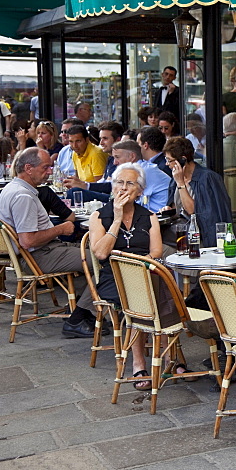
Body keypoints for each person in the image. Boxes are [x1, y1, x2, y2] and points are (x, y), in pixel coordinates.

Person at [87, 162, 180, 388]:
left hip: (145, 271)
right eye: (120, 182)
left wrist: (140, 266)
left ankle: (167, 356)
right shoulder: (100, 216)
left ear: (140, 190)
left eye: (131, 183)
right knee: (144, 295)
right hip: (114, 277)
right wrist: (117, 219)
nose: (124, 188)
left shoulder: (148, 217)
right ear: (112, 186)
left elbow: (156, 252)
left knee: (163, 285)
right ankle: (143, 362)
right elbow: (100, 253)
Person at [0, 148, 88, 337]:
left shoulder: (13, 188)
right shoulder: (23, 196)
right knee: (101, 260)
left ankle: (81, 307)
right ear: (28, 168)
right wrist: (61, 229)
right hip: (37, 256)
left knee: (94, 254)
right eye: (46, 167)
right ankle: (78, 317)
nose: (49, 172)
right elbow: (28, 240)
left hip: (36, 253)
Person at [164, 137, 232, 247]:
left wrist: (181, 184)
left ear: (182, 160)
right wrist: (168, 209)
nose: (167, 164)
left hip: (198, 235)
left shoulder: (206, 179)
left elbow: (192, 210)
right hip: (180, 229)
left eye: (169, 160)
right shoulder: (175, 179)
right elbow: (176, 207)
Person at [67, 141, 171, 212]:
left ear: (132, 156)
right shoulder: (137, 169)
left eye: (117, 157)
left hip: (156, 216)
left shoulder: (142, 170)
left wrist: (86, 186)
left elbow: (122, 197)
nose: (115, 162)